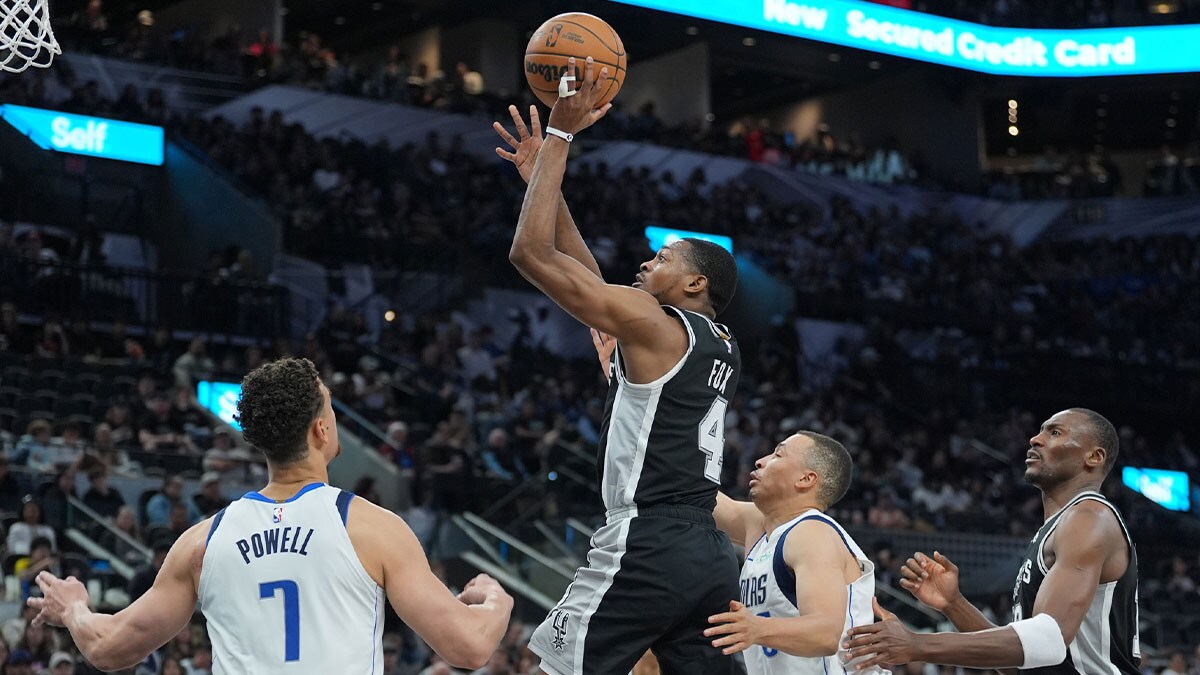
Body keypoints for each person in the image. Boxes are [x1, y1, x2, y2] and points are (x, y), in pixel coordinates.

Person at [29, 357, 514, 672]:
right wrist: (497, 599)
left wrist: (73, 608)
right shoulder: (372, 527)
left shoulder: (202, 542)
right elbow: (470, 646)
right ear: (322, 430)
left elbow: (109, 648)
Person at [501, 57, 743, 674]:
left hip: (648, 541)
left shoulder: (656, 326)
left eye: (661, 258)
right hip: (707, 554)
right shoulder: (714, 343)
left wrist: (561, 134)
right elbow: (590, 280)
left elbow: (530, 254)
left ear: (694, 282)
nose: (644, 264)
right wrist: (542, 178)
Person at [843, 408, 1139, 674]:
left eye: (1055, 432)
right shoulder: (1060, 527)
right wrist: (954, 605)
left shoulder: (1089, 517)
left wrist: (916, 644)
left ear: (1094, 457)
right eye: (1040, 431)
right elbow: (1021, 662)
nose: (1035, 439)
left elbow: (1047, 640)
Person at [707, 432, 888, 674]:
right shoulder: (763, 527)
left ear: (805, 479)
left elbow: (825, 634)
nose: (760, 461)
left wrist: (757, 628)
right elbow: (698, 498)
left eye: (778, 455)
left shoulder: (812, 533)